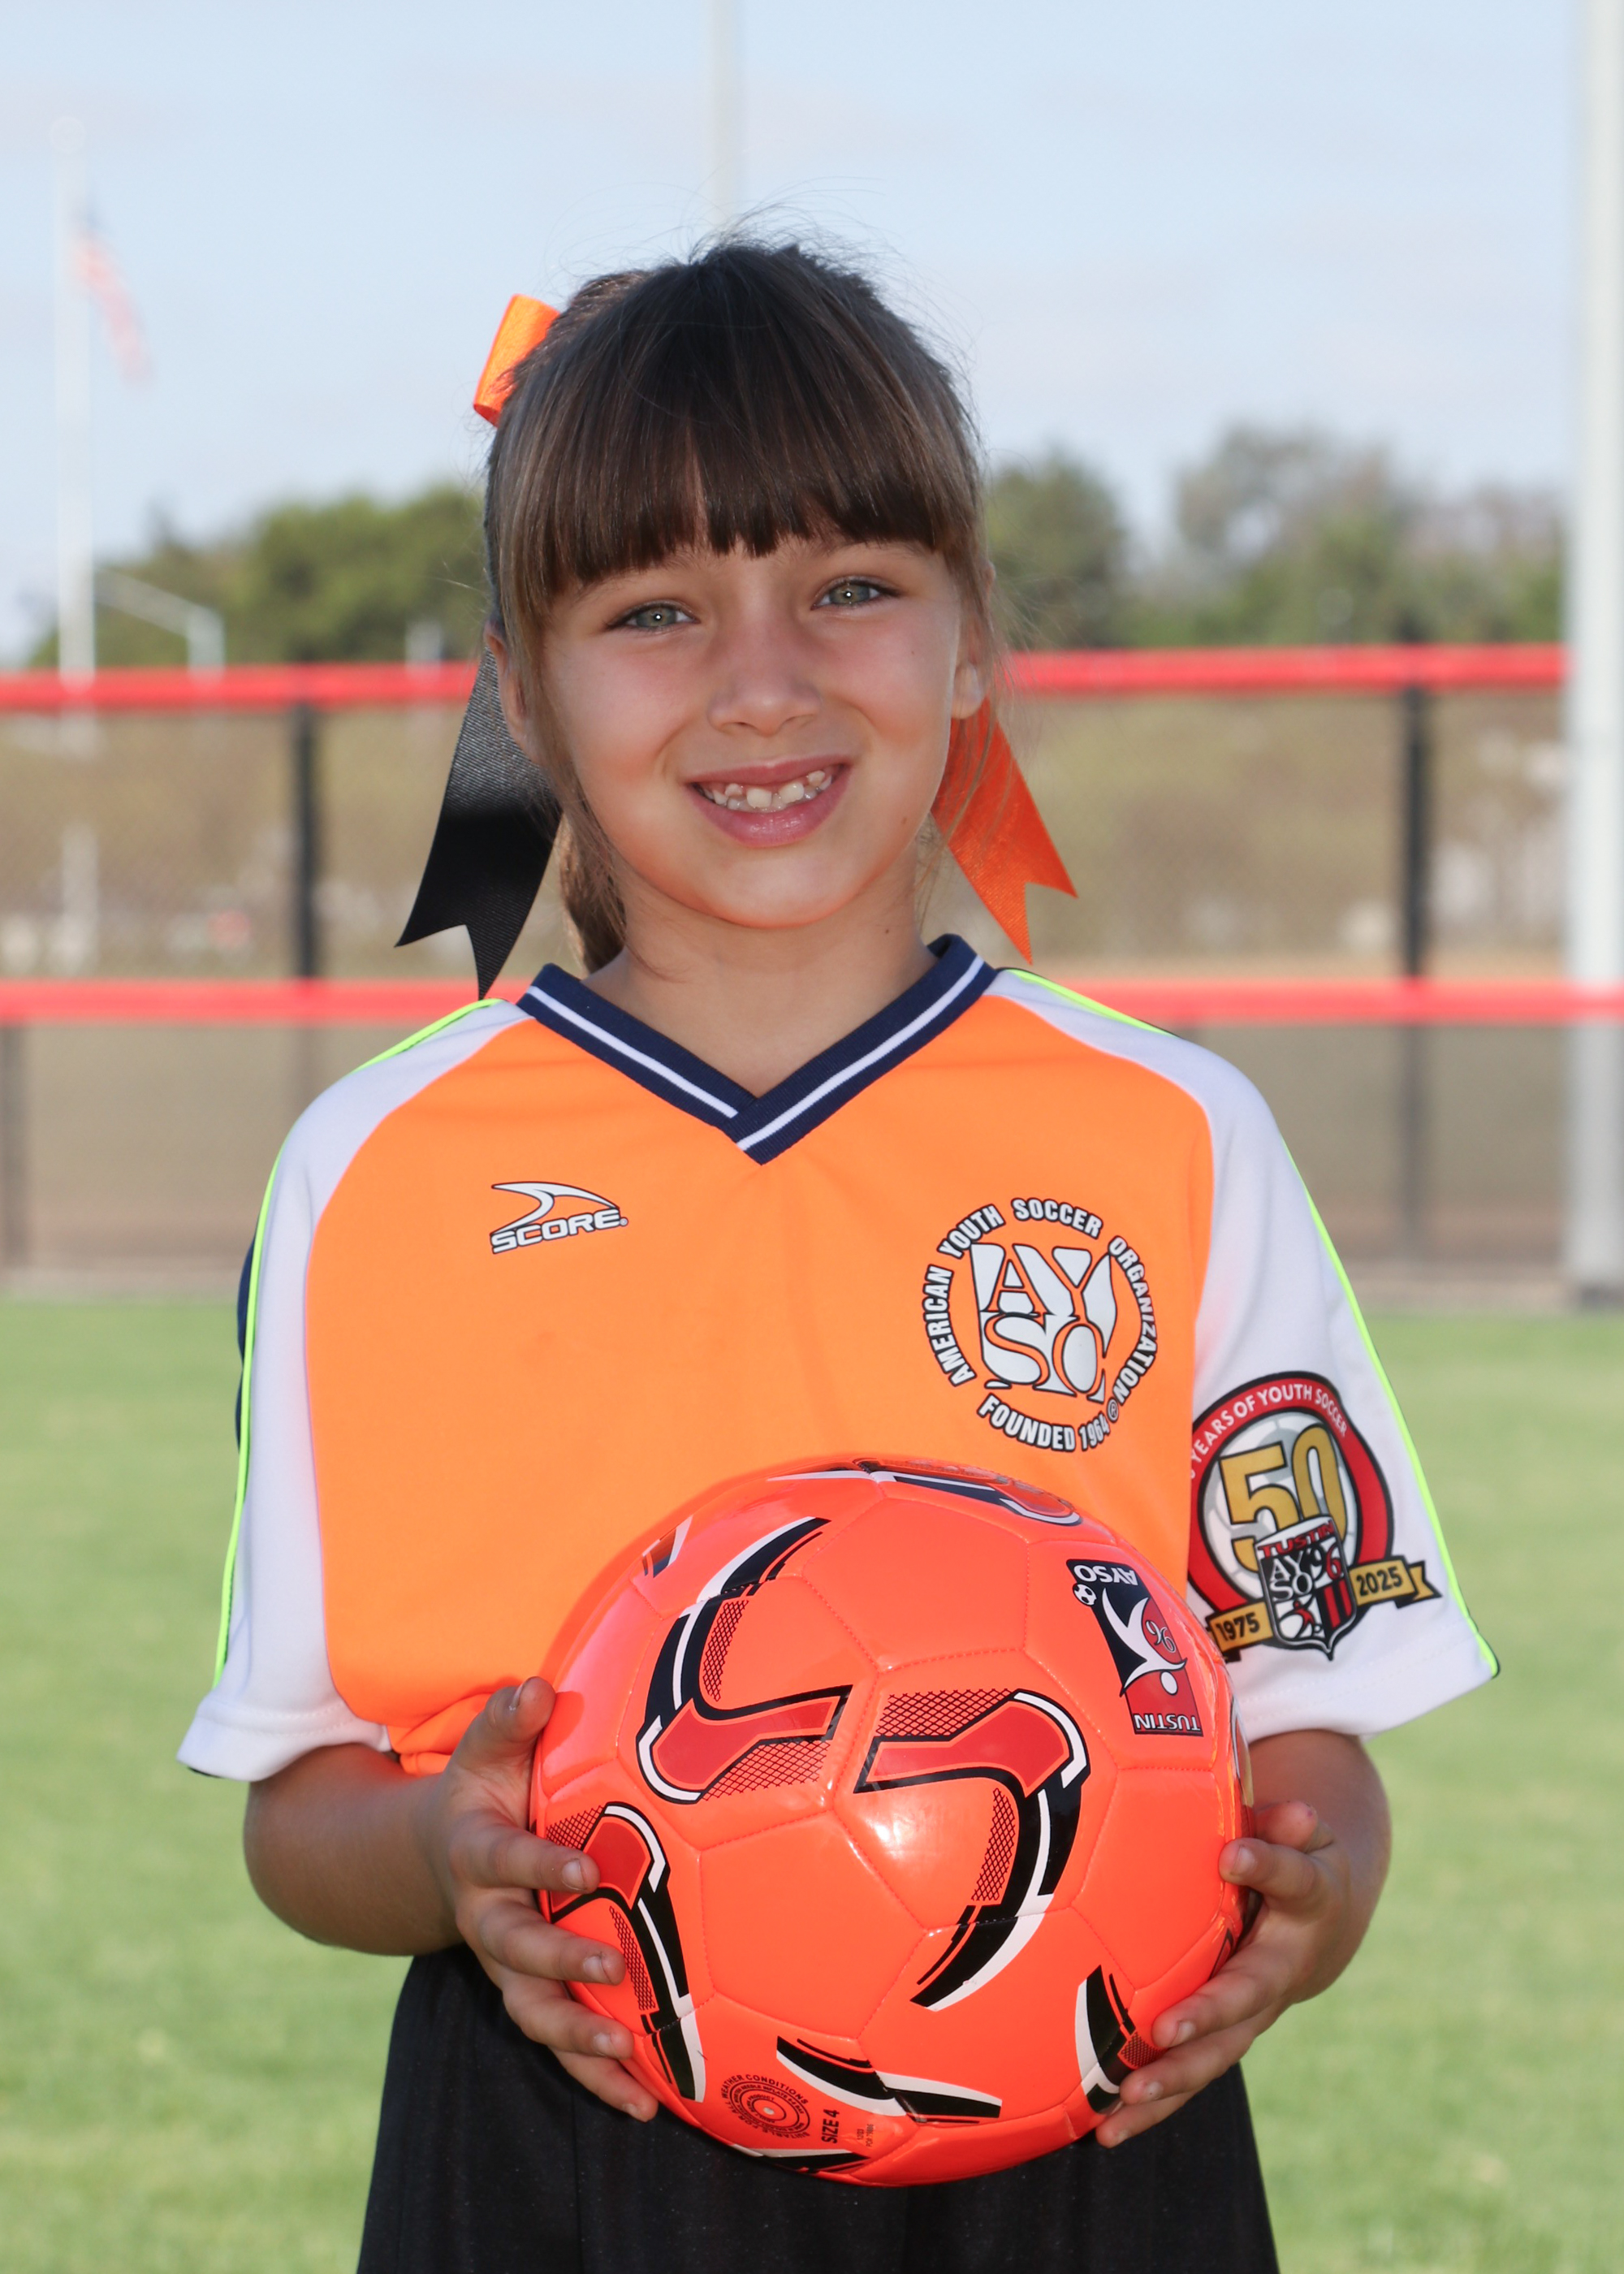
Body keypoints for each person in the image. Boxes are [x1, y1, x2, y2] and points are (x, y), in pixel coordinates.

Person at [179, 240, 1495, 2274]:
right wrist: (451, 1848)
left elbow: (1313, 1719)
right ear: (522, 692)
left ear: (970, 636)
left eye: (851, 586)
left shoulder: (1170, 1132)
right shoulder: (376, 1172)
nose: (765, 681)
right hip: (568, 2134)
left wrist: (1313, 1897)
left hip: (1084, 2135)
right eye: (655, 611)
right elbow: (298, 1810)